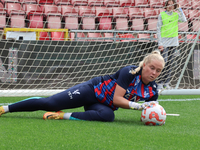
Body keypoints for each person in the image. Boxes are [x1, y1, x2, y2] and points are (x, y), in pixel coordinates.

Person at [0, 50, 165, 122]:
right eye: (152, 68)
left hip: (101, 104)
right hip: (91, 91)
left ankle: (61, 116)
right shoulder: (129, 72)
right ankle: (6, 108)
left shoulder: (152, 90)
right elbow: (116, 99)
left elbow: (152, 108)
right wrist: (138, 106)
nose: (154, 73)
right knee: (49, 103)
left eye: (158, 71)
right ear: (144, 65)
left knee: (108, 116)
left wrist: (154, 113)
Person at [157, 0, 187, 90]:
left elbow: (184, 20)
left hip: (173, 42)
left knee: (170, 63)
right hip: (164, 42)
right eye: (168, 5)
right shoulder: (161, 15)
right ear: (166, 5)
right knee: (164, 62)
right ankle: (160, 82)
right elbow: (158, 30)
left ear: (174, 6)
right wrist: (160, 43)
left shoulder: (176, 15)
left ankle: (167, 83)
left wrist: (180, 9)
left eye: (172, 5)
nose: (170, 6)